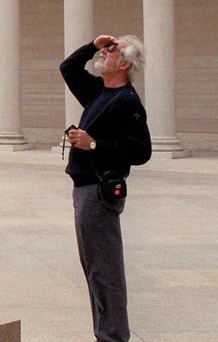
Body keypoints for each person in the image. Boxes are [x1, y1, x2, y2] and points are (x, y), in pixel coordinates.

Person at [60, 34, 152, 342]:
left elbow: (141, 150)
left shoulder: (127, 100)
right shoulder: (99, 91)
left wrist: (94, 144)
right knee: (95, 270)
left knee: (105, 272)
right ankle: (107, 334)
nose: (105, 53)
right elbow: (69, 68)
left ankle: (113, 337)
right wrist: (93, 45)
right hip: (85, 189)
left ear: (124, 64)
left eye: (112, 51)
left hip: (99, 192)